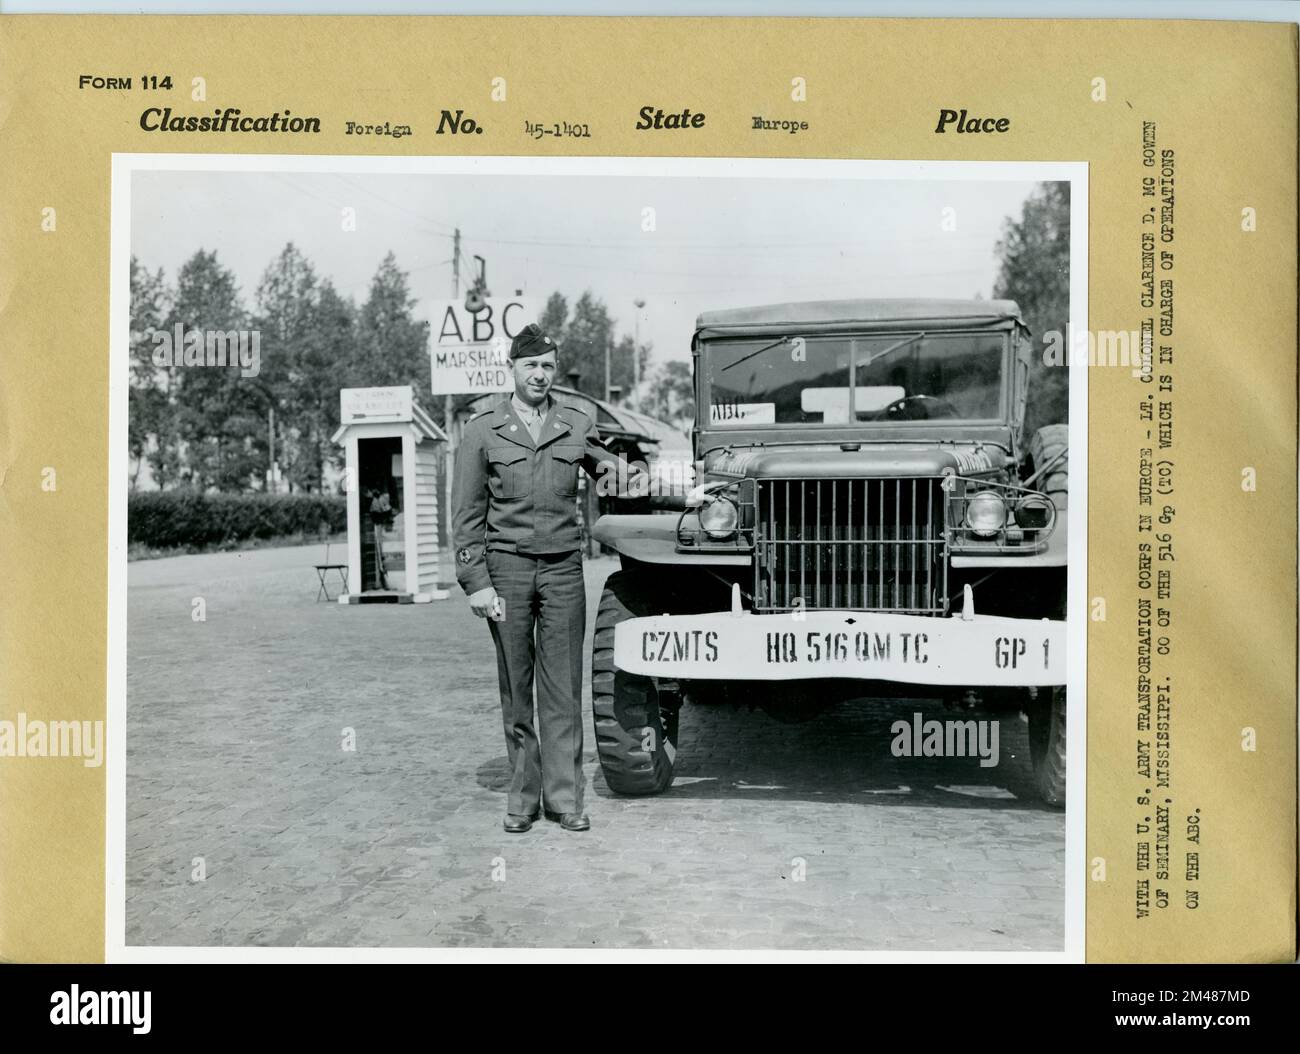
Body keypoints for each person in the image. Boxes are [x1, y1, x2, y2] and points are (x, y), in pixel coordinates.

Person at [451, 323, 638, 833]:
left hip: (562, 571)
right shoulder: (483, 426)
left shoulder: (576, 421)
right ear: (512, 368)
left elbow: (609, 470)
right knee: (517, 686)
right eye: (530, 365)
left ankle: (564, 798)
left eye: (547, 366)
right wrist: (476, 581)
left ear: (555, 371)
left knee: (563, 688)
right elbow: (466, 513)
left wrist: (630, 474)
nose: (539, 374)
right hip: (505, 572)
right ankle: (522, 796)